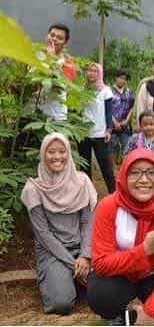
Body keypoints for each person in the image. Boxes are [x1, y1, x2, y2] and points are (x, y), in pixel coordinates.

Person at [87, 149, 154, 326]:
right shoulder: (109, 206)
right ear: (124, 175)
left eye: (151, 172)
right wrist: (144, 250)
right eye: (135, 172)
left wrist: (151, 311)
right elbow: (101, 263)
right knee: (101, 295)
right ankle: (122, 318)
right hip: (121, 273)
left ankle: (147, 318)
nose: (144, 180)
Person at [20, 133, 97, 315]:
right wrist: (74, 265)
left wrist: (85, 256)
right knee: (61, 304)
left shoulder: (82, 182)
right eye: (51, 152)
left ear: (68, 154)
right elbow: (44, 234)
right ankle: (63, 281)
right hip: (51, 253)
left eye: (62, 151)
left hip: (82, 250)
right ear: (43, 154)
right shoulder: (34, 189)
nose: (57, 157)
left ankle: (71, 281)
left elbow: (88, 222)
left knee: (107, 292)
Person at [78, 63, 116, 194]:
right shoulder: (81, 89)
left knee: (105, 166)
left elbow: (109, 112)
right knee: (85, 166)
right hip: (83, 133)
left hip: (100, 133)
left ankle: (114, 193)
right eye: (89, 70)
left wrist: (109, 130)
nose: (91, 73)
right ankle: (88, 194)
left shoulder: (106, 91)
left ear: (99, 73)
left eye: (95, 71)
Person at [37, 23, 76, 122]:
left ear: (65, 43)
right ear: (47, 35)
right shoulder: (35, 56)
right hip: (31, 113)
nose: (54, 39)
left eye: (59, 38)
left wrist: (51, 59)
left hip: (56, 118)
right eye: (52, 35)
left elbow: (60, 86)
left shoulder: (68, 64)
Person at [110, 70, 135, 161]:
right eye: (120, 78)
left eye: (124, 79)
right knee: (111, 149)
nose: (122, 80)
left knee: (127, 148)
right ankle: (112, 173)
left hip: (125, 126)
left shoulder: (129, 92)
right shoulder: (109, 91)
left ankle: (126, 170)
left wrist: (127, 120)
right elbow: (106, 109)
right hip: (112, 126)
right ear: (116, 78)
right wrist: (115, 122)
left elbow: (132, 107)